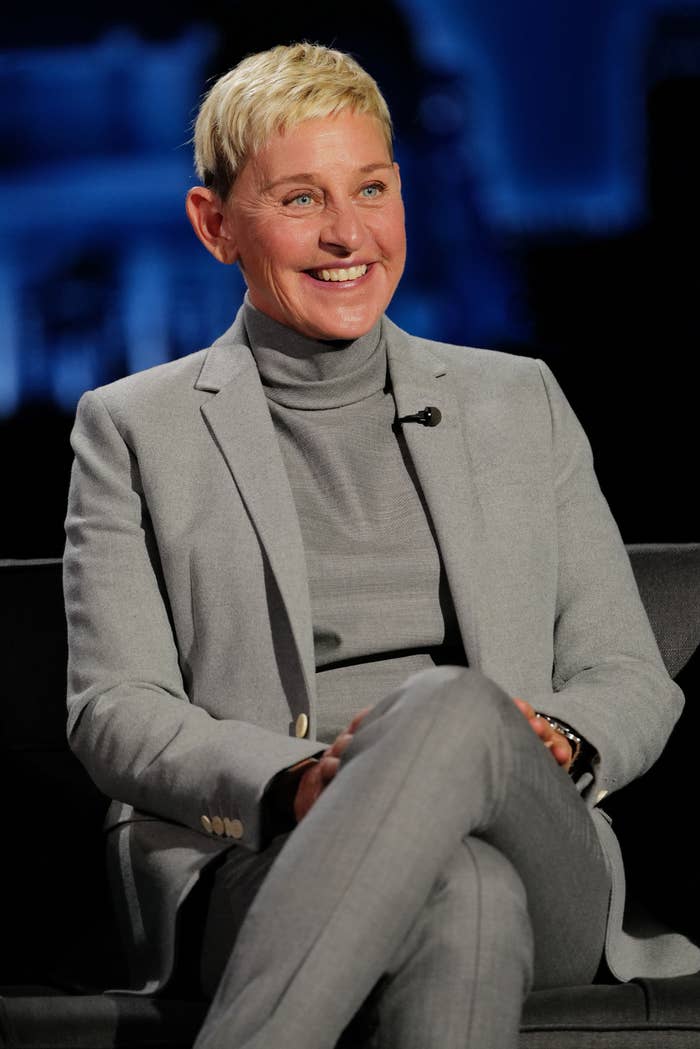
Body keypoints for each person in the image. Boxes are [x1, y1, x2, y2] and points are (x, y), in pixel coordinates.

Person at [63, 42, 699, 1049]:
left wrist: (561, 739)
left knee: (453, 712)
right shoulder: (133, 426)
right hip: (266, 863)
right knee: (462, 891)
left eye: (370, 188)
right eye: (301, 200)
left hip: (540, 849)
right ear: (214, 224)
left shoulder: (515, 401)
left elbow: (626, 671)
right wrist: (293, 779)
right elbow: (114, 707)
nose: (348, 233)